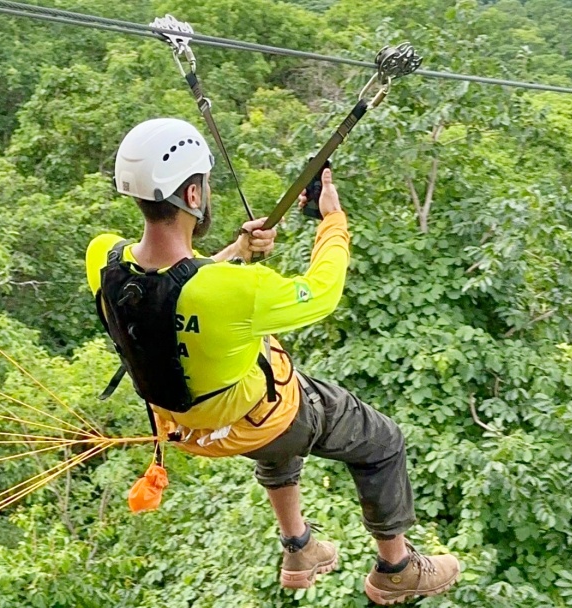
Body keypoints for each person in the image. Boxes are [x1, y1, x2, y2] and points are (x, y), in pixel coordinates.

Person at [85, 118, 460, 605]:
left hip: (187, 427)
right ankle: (397, 567)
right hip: (259, 418)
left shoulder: (104, 258)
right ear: (193, 197)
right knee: (379, 440)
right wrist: (332, 220)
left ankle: (299, 546)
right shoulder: (236, 291)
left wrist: (237, 251)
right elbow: (323, 291)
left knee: (273, 423)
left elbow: (171, 289)